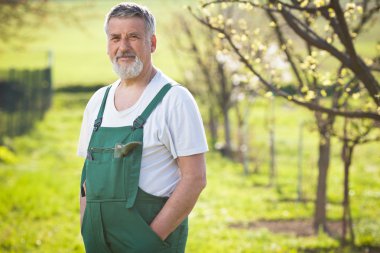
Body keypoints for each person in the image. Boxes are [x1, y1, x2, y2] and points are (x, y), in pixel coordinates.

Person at [77, 2, 208, 253]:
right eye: (115, 38)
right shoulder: (98, 102)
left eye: (134, 37)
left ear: (153, 43)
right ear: (107, 45)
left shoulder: (174, 100)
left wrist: (149, 240)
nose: (123, 47)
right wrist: (87, 228)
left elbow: (195, 179)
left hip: (149, 242)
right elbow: (86, 181)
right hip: (98, 242)